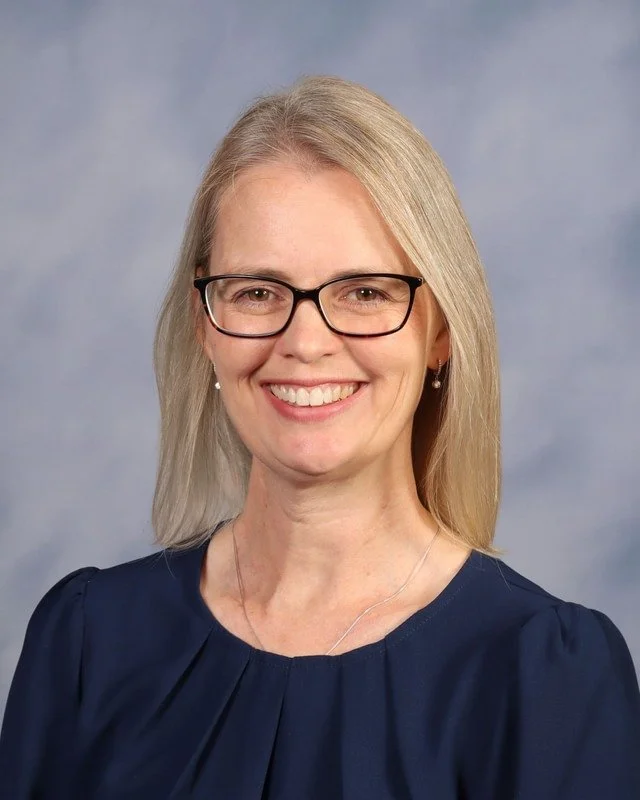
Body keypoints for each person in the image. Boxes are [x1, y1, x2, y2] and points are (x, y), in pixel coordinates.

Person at [1, 75, 638, 799]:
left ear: (440, 331)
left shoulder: (547, 676)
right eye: (257, 292)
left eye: (363, 292)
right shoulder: (88, 643)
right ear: (204, 323)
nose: (306, 343)